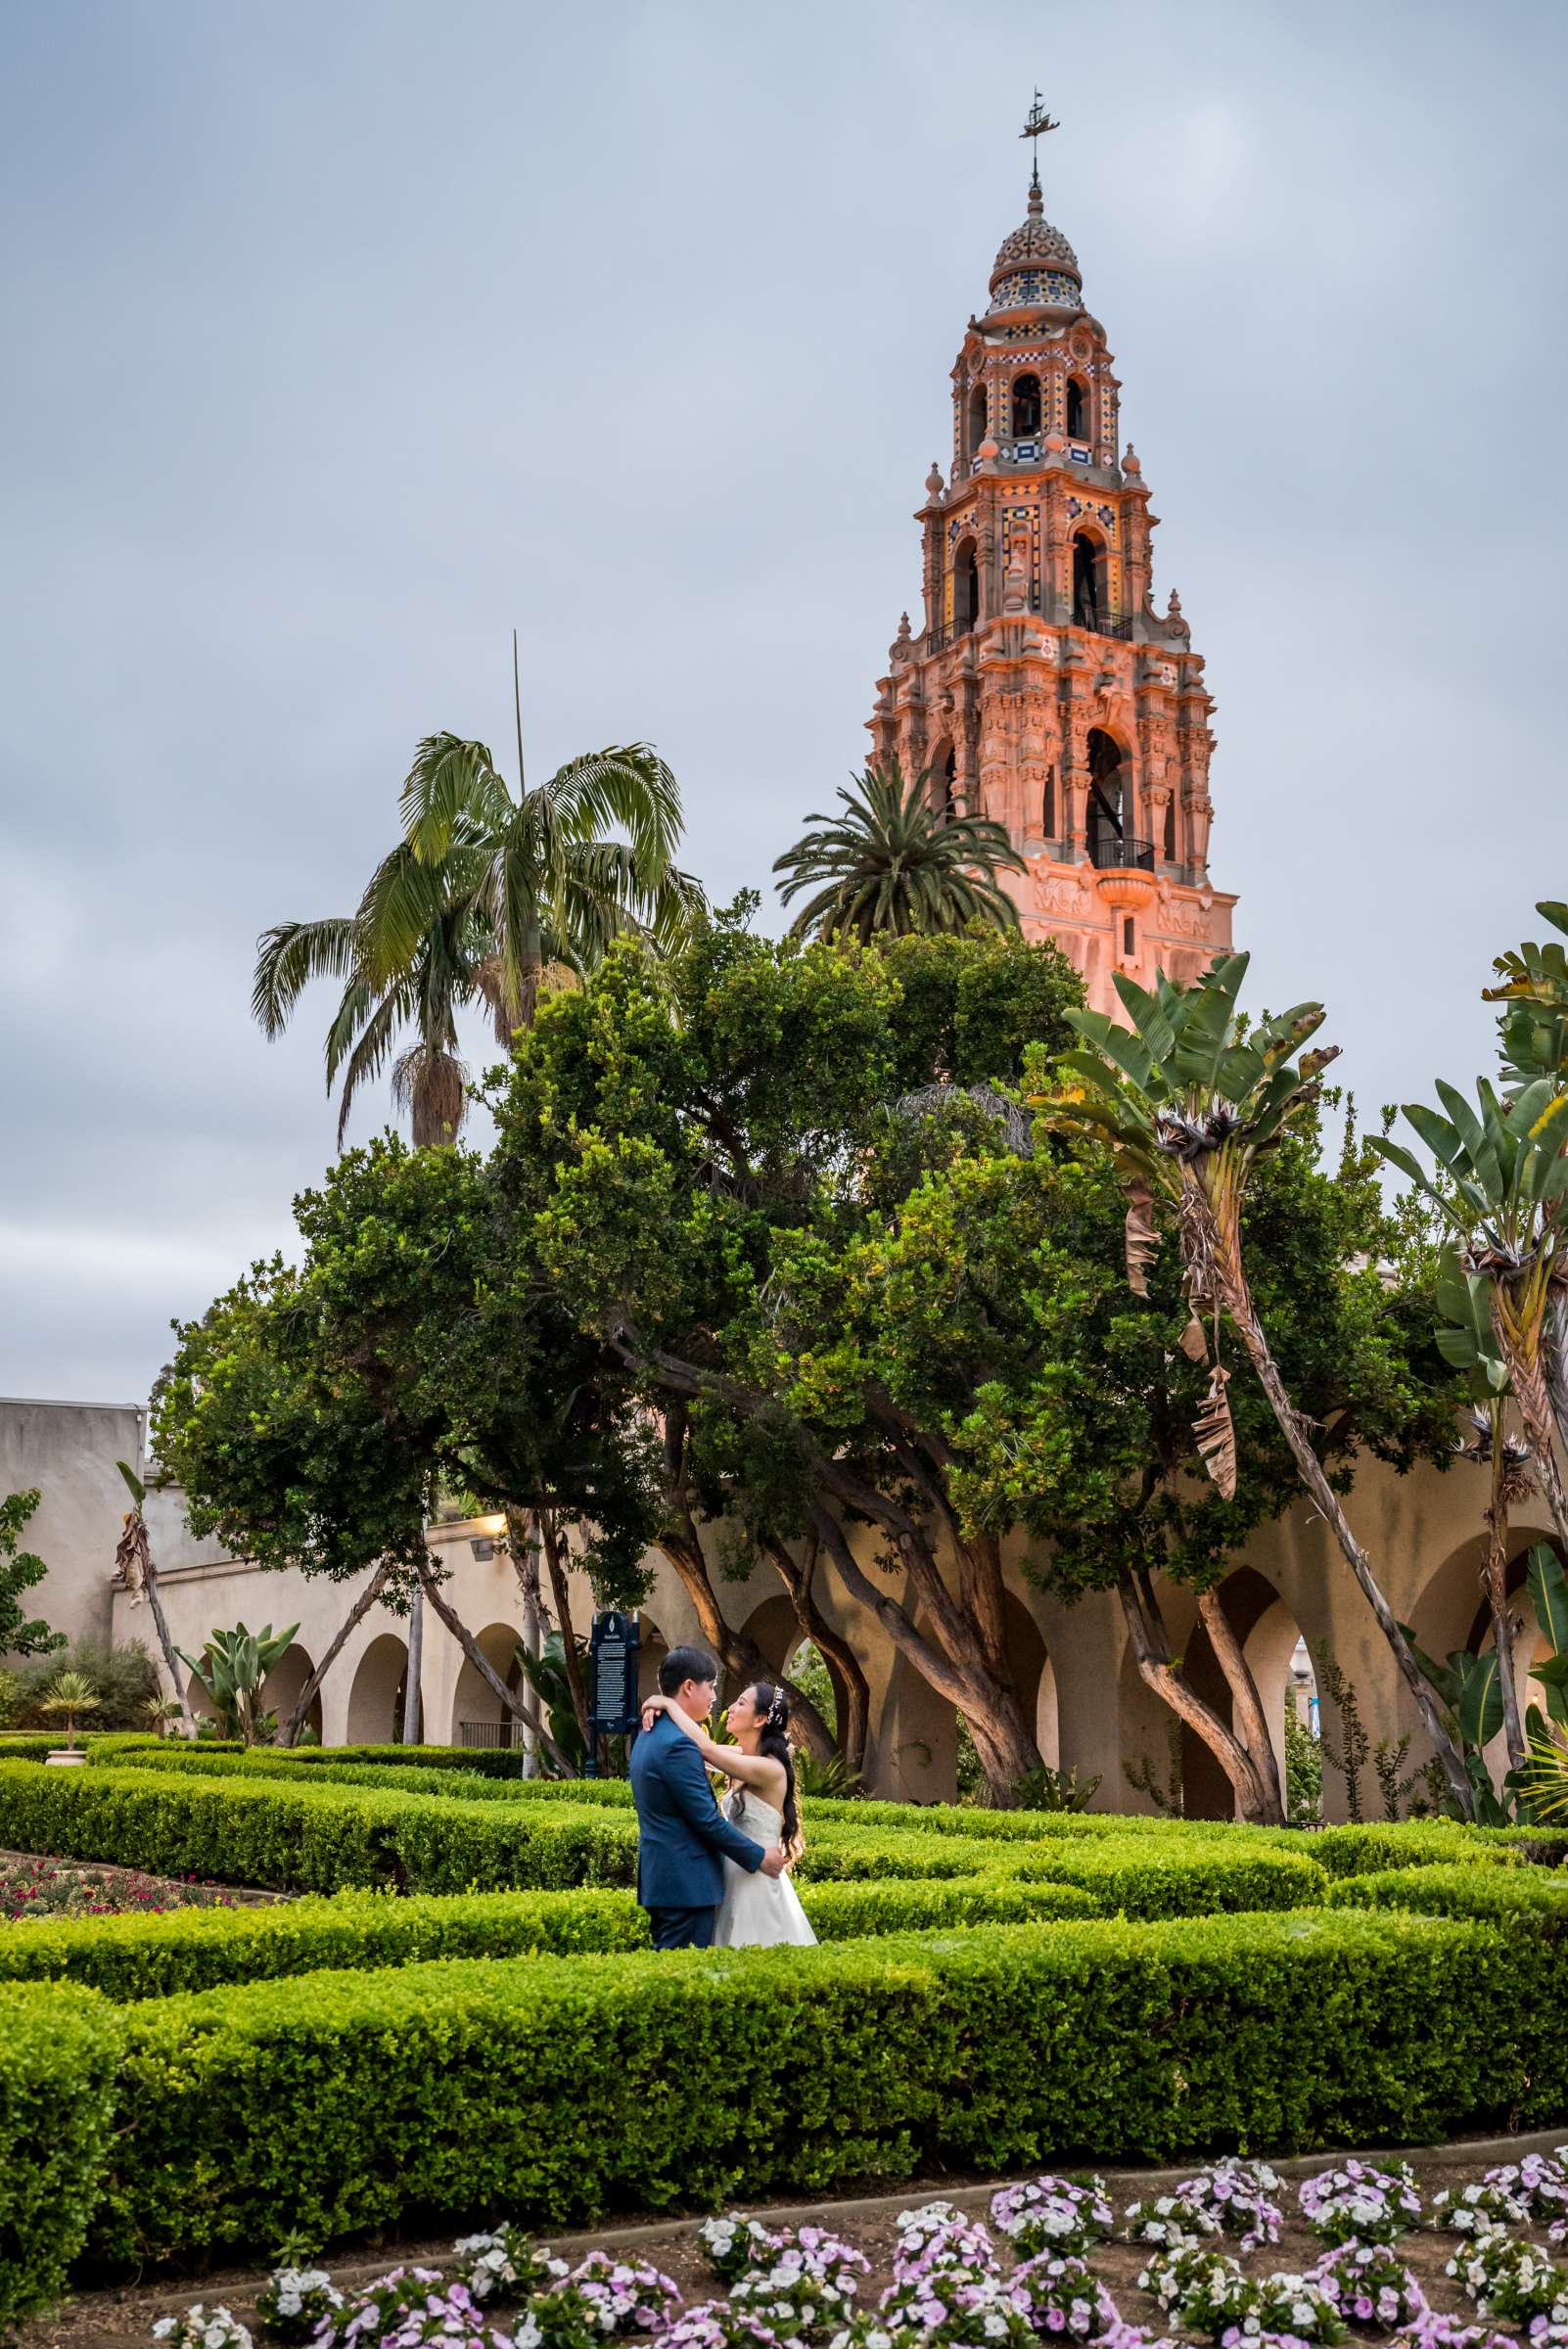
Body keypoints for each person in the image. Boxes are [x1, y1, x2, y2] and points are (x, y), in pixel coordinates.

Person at [638, 1676, 817, 1950]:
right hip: (733, 1872)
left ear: (759, 1720)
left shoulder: (769, 1769)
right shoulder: (745, 1757)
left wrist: (668, 1704)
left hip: (755, 1875)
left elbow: (705, 1749)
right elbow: (695, 1750)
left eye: (741, 1703)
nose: (730, 1708)